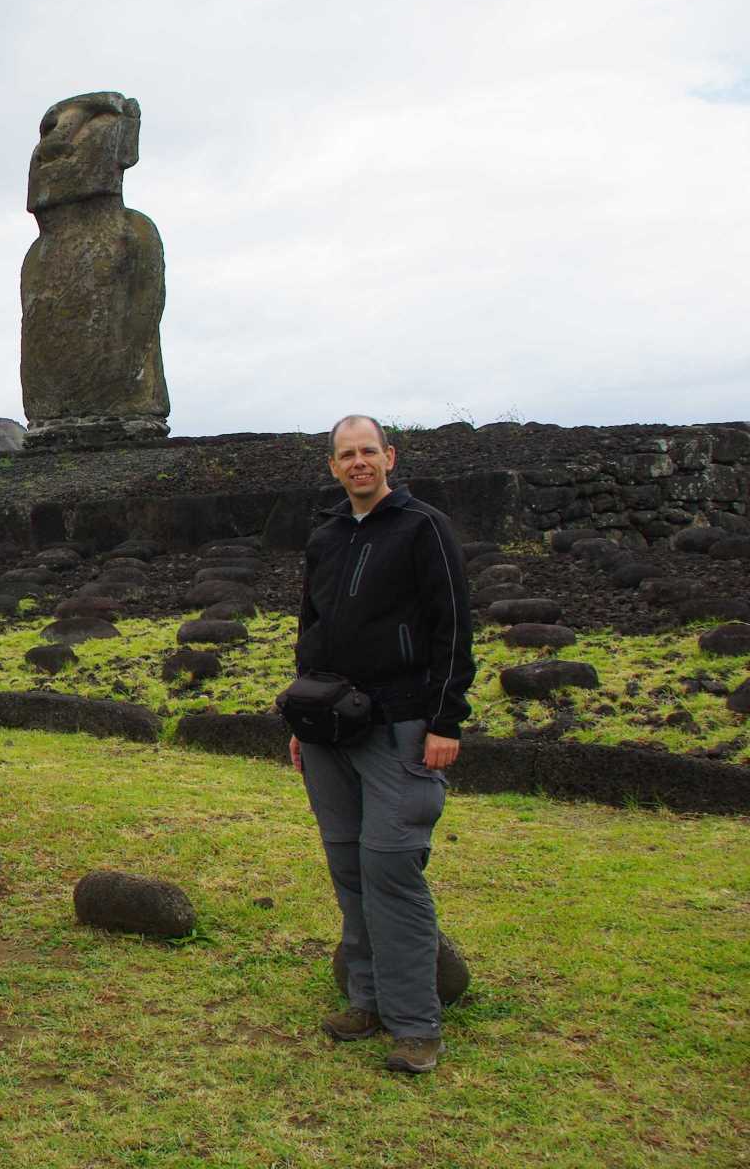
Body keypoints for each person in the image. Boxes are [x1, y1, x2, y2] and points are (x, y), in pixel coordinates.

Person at [290, 414, 475, 1073]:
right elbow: (310, 630)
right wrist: (301, 719)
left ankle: (416, 1024)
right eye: (347, 454)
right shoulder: (327, 537)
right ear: (334, 467)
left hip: (401, 725)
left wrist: (446, 719)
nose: (359, 462)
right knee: (348, 867)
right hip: (329, 729)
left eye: (369, 450)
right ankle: (364, 998)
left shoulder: (424, 528)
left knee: (392, 868)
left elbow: (453, 624)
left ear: (389, 457)